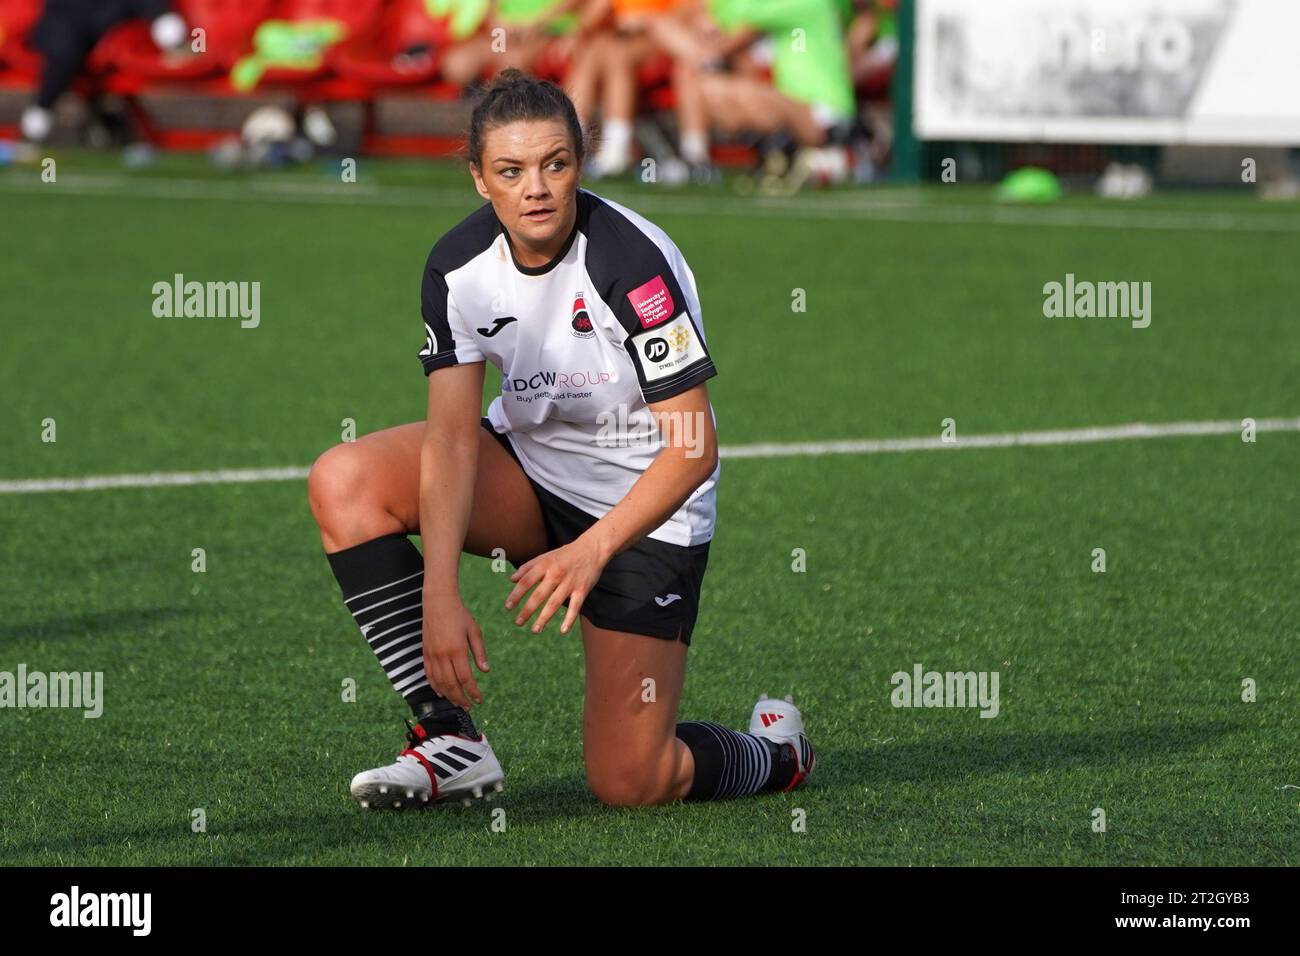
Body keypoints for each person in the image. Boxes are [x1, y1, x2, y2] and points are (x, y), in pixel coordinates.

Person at [307, 69, 814, 809]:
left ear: (581, 160)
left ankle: (775, 752)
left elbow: (693, 448)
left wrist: (594, 548)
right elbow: (450, 443)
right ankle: (450, 740)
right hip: (530, 477)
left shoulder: (631, 262)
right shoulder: (458, 269)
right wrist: (439, 592)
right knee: (345, 480)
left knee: (631, 783)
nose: (535, 188)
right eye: (511, 171)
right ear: (481, 179)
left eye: (555, 164)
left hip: (648, 509)